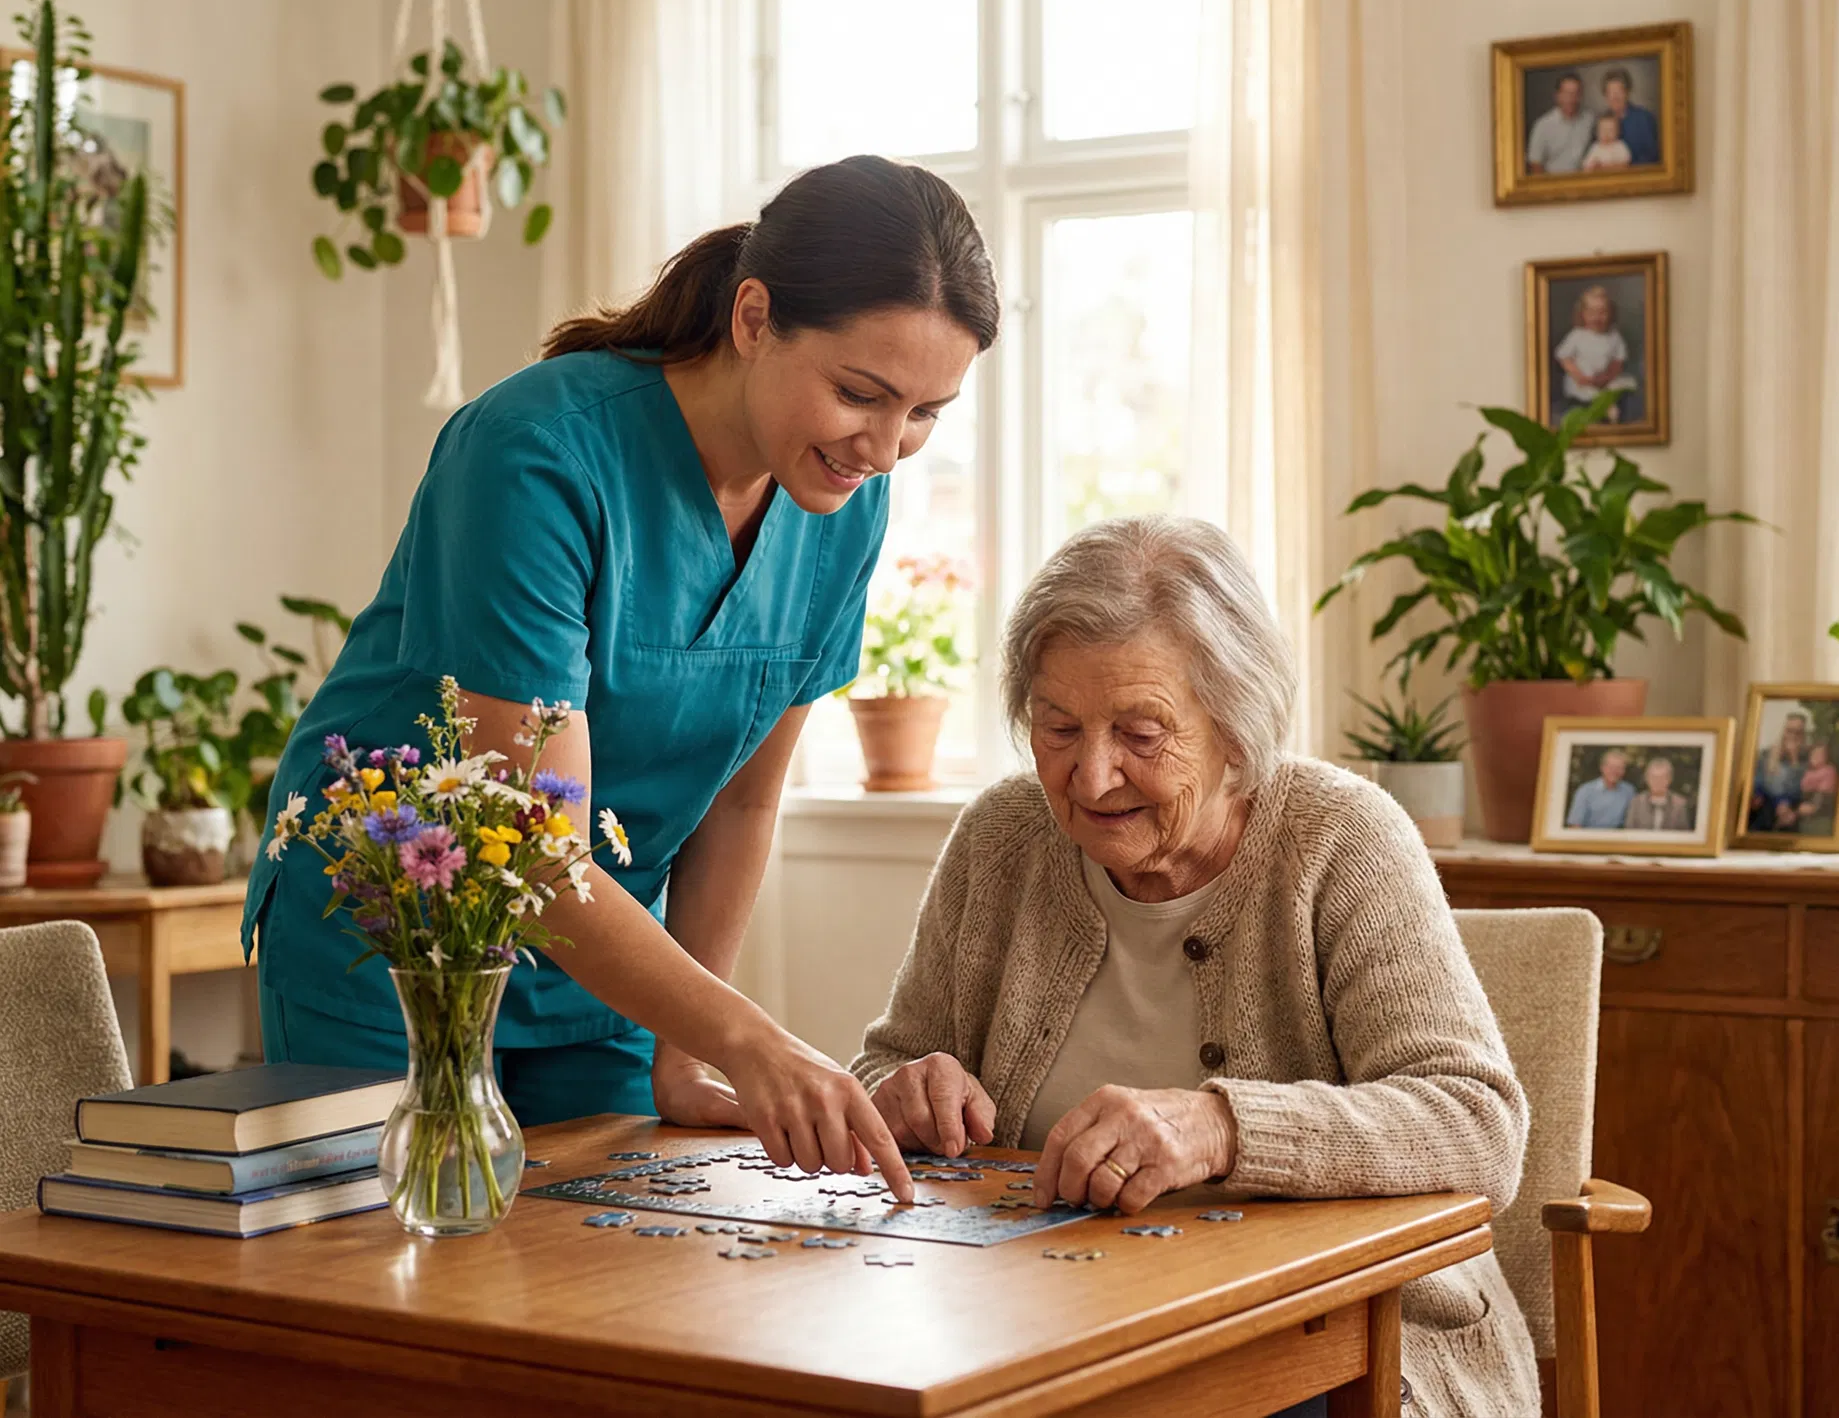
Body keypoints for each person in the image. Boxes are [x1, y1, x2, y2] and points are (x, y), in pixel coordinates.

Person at [242, 155, 1000, 1194]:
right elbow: (532, 851)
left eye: (926, 412)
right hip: (395, 948)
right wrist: (753, 1041)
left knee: (603, 1290)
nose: (886, 445)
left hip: (611, 968)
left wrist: (689, 1046)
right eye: (860, 393)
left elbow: (739, 803)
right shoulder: (533, 455)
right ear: (752, 318)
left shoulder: (842, 502)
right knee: (388, 1290)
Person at [853, 517, 1538, 1418]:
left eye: (1141, 734)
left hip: (1342, 1349)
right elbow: (883, 1062)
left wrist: (1220, 1127)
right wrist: (902, 1087)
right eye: (1058, 728)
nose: (1092, 778)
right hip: (1028, 1326)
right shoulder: (1001, 837)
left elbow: (1478, 1127)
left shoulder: (1342, 840)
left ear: (1236, 731)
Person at [1555, 284, 1637, 425]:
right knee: (1588, 394)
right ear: (1582, 314)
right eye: (1591, 313)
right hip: (1583, 379)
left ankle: (1611, 409)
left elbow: (1618, 361)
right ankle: (1605, 410)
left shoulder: (1614, 336)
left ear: (1611, 314)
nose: (1597, 317)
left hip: (1604, 378)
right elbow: (1563, 357)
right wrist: (1579, 376)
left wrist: (1607, 377)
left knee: (1626, 384)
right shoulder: (1577, 335)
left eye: (1602, 312)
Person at [1750, 711, 1812, 833]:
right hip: (1768, 805)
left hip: (1794, 807)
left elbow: (1802, 790)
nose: (1793, 736)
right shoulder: (1767, 754)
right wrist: (1779, 801)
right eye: (1789, 731)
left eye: (1798, 732)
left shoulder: (1808, 759)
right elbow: (1761, 783)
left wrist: (1794, 760)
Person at [1527, 71, 1592, 175]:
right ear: (1557, 96)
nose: (1571, 98)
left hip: (1584, 183)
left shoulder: (1590, 119)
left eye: (1575, 93)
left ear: (1581, 96)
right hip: (1553, 185)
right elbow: (1535, 164)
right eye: (1566, 93)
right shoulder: (1542, 125)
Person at [1601, 67, 1661, 165]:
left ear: (1627, 92)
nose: (1615, 97)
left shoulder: (1644, 118)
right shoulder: (1600, 122)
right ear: (1605, 96)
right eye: (1610, 92)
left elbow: (1652, 157)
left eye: (1619, 91)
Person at [1566, 748, 1635, 828]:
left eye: (1619, 768)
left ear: (1624, 770)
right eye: (1611, 767)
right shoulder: (1585, 791)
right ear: (1602, 767)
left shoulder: (1629, 791)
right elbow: (1575, 826)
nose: (1615, 771)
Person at [1624, 756, 1692, 831]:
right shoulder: (1636, 802)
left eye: (1662, 778)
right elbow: (1629, 833)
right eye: (1653, 777)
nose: (1657, 781)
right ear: (1647, 778)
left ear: (1669, 779)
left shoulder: (1679, 804)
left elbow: (1684, 836)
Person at [1794, 743, 1839, 835]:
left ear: (1826, 757)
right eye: (1814, 754)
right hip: (1801, 808)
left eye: (1820, 754)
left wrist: (1813, 808)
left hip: (1819, 809)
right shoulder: (1806, 771)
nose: (1816, 757)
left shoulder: (1828, 771)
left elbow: (1822, 796)